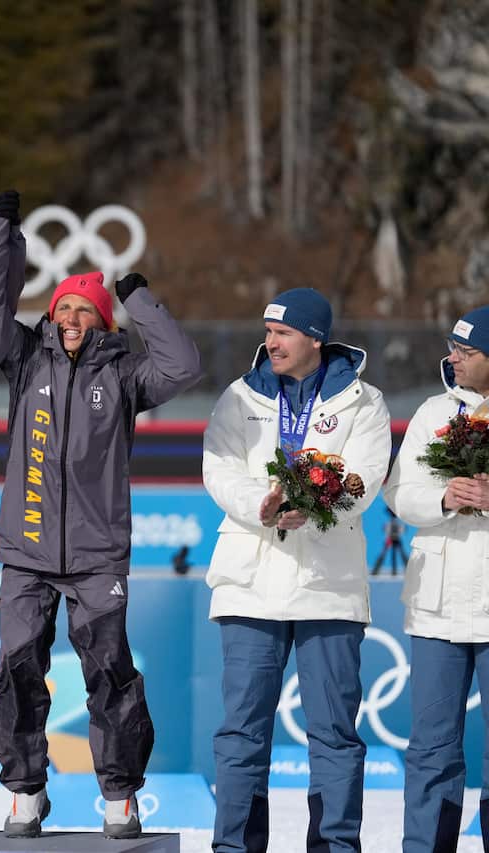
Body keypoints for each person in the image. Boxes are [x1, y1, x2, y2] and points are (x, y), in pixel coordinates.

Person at [0, 204, 203, 839]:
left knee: (109, 674)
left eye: (84, 310)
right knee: (16, 672)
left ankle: (119, 793)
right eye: (63, 308)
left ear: (102, 320)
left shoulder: (124, 375)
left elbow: (183, 366)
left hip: (97, 557)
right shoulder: (25, 360)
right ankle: (25, 789)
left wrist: (140, 299)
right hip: (27, 553)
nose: (70, 319)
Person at [202, 288, 392, 852]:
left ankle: (334, 847)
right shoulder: (239, 396)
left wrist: (309, 506)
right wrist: (260, 504)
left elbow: (364, 478)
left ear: (315, 337)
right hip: (251, 583)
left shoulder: (365, 402)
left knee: (333, 735)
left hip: (327, 587)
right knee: (241, 733)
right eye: (266, 330)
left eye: (282, 332)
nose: (270, 341)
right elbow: (219, 466)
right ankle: (233, 847)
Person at [383, 306, 489, 850]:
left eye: (467, 352)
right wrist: (445, 497)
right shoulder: (432, 412)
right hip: (437, 606)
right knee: (430, 748)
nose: (453, 358)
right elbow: (399, 494)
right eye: (454, 347)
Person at [370, 508, 408, 576]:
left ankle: (375, 571)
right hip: (391, 539)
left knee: (400, 555)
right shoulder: (395, 522)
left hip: (393, 539)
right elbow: (401, 530)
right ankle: (375, 571)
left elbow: (387, 529)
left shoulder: (394, 522)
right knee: (385, 555)